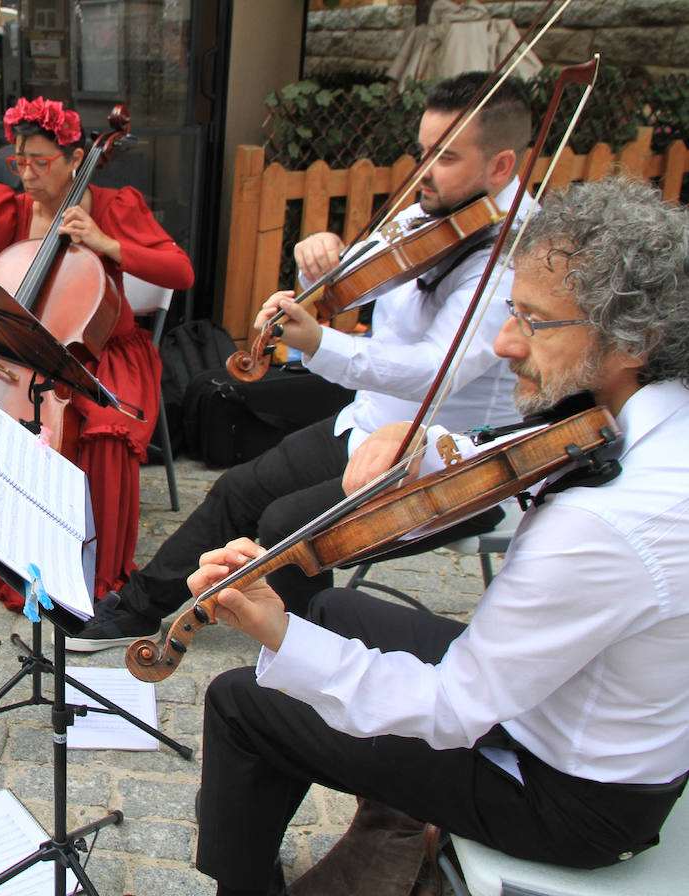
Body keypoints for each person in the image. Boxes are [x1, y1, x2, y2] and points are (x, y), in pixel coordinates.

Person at [191, 176, 689, 896]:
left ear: (634, 341)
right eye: (511, 310)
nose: (505, 341)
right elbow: (536, 446)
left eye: (536, 322)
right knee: (328, 610)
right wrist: (423, 444)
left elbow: (453, 708)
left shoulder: (607, 524)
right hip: (579, 708)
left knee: (244, 702)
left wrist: (276, 633)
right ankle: (357, 817)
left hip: (564, 791)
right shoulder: (644, 408)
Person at [66, 70, 530, 651]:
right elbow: (359, 281)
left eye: (445, 155)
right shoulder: (436, 213)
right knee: (237, 491)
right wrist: (320, 263)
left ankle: (309, 661)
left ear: (501, 166)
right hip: (364, 430)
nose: (422, 170)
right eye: (422, 150)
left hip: (447, 468)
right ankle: (134, 611)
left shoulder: (510, 261)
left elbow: (433, 372)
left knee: (284, 524)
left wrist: (317, 343)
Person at [0, 95, 195, 612]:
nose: (26, 175)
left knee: (100, 430)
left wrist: (106, 243)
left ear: (75, 160)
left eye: (40, 163)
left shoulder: (117, 206)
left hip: (100, 353)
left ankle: (67, 558)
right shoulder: (10, 209)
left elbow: (180, 271)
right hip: (16, 349)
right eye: (19, 161)